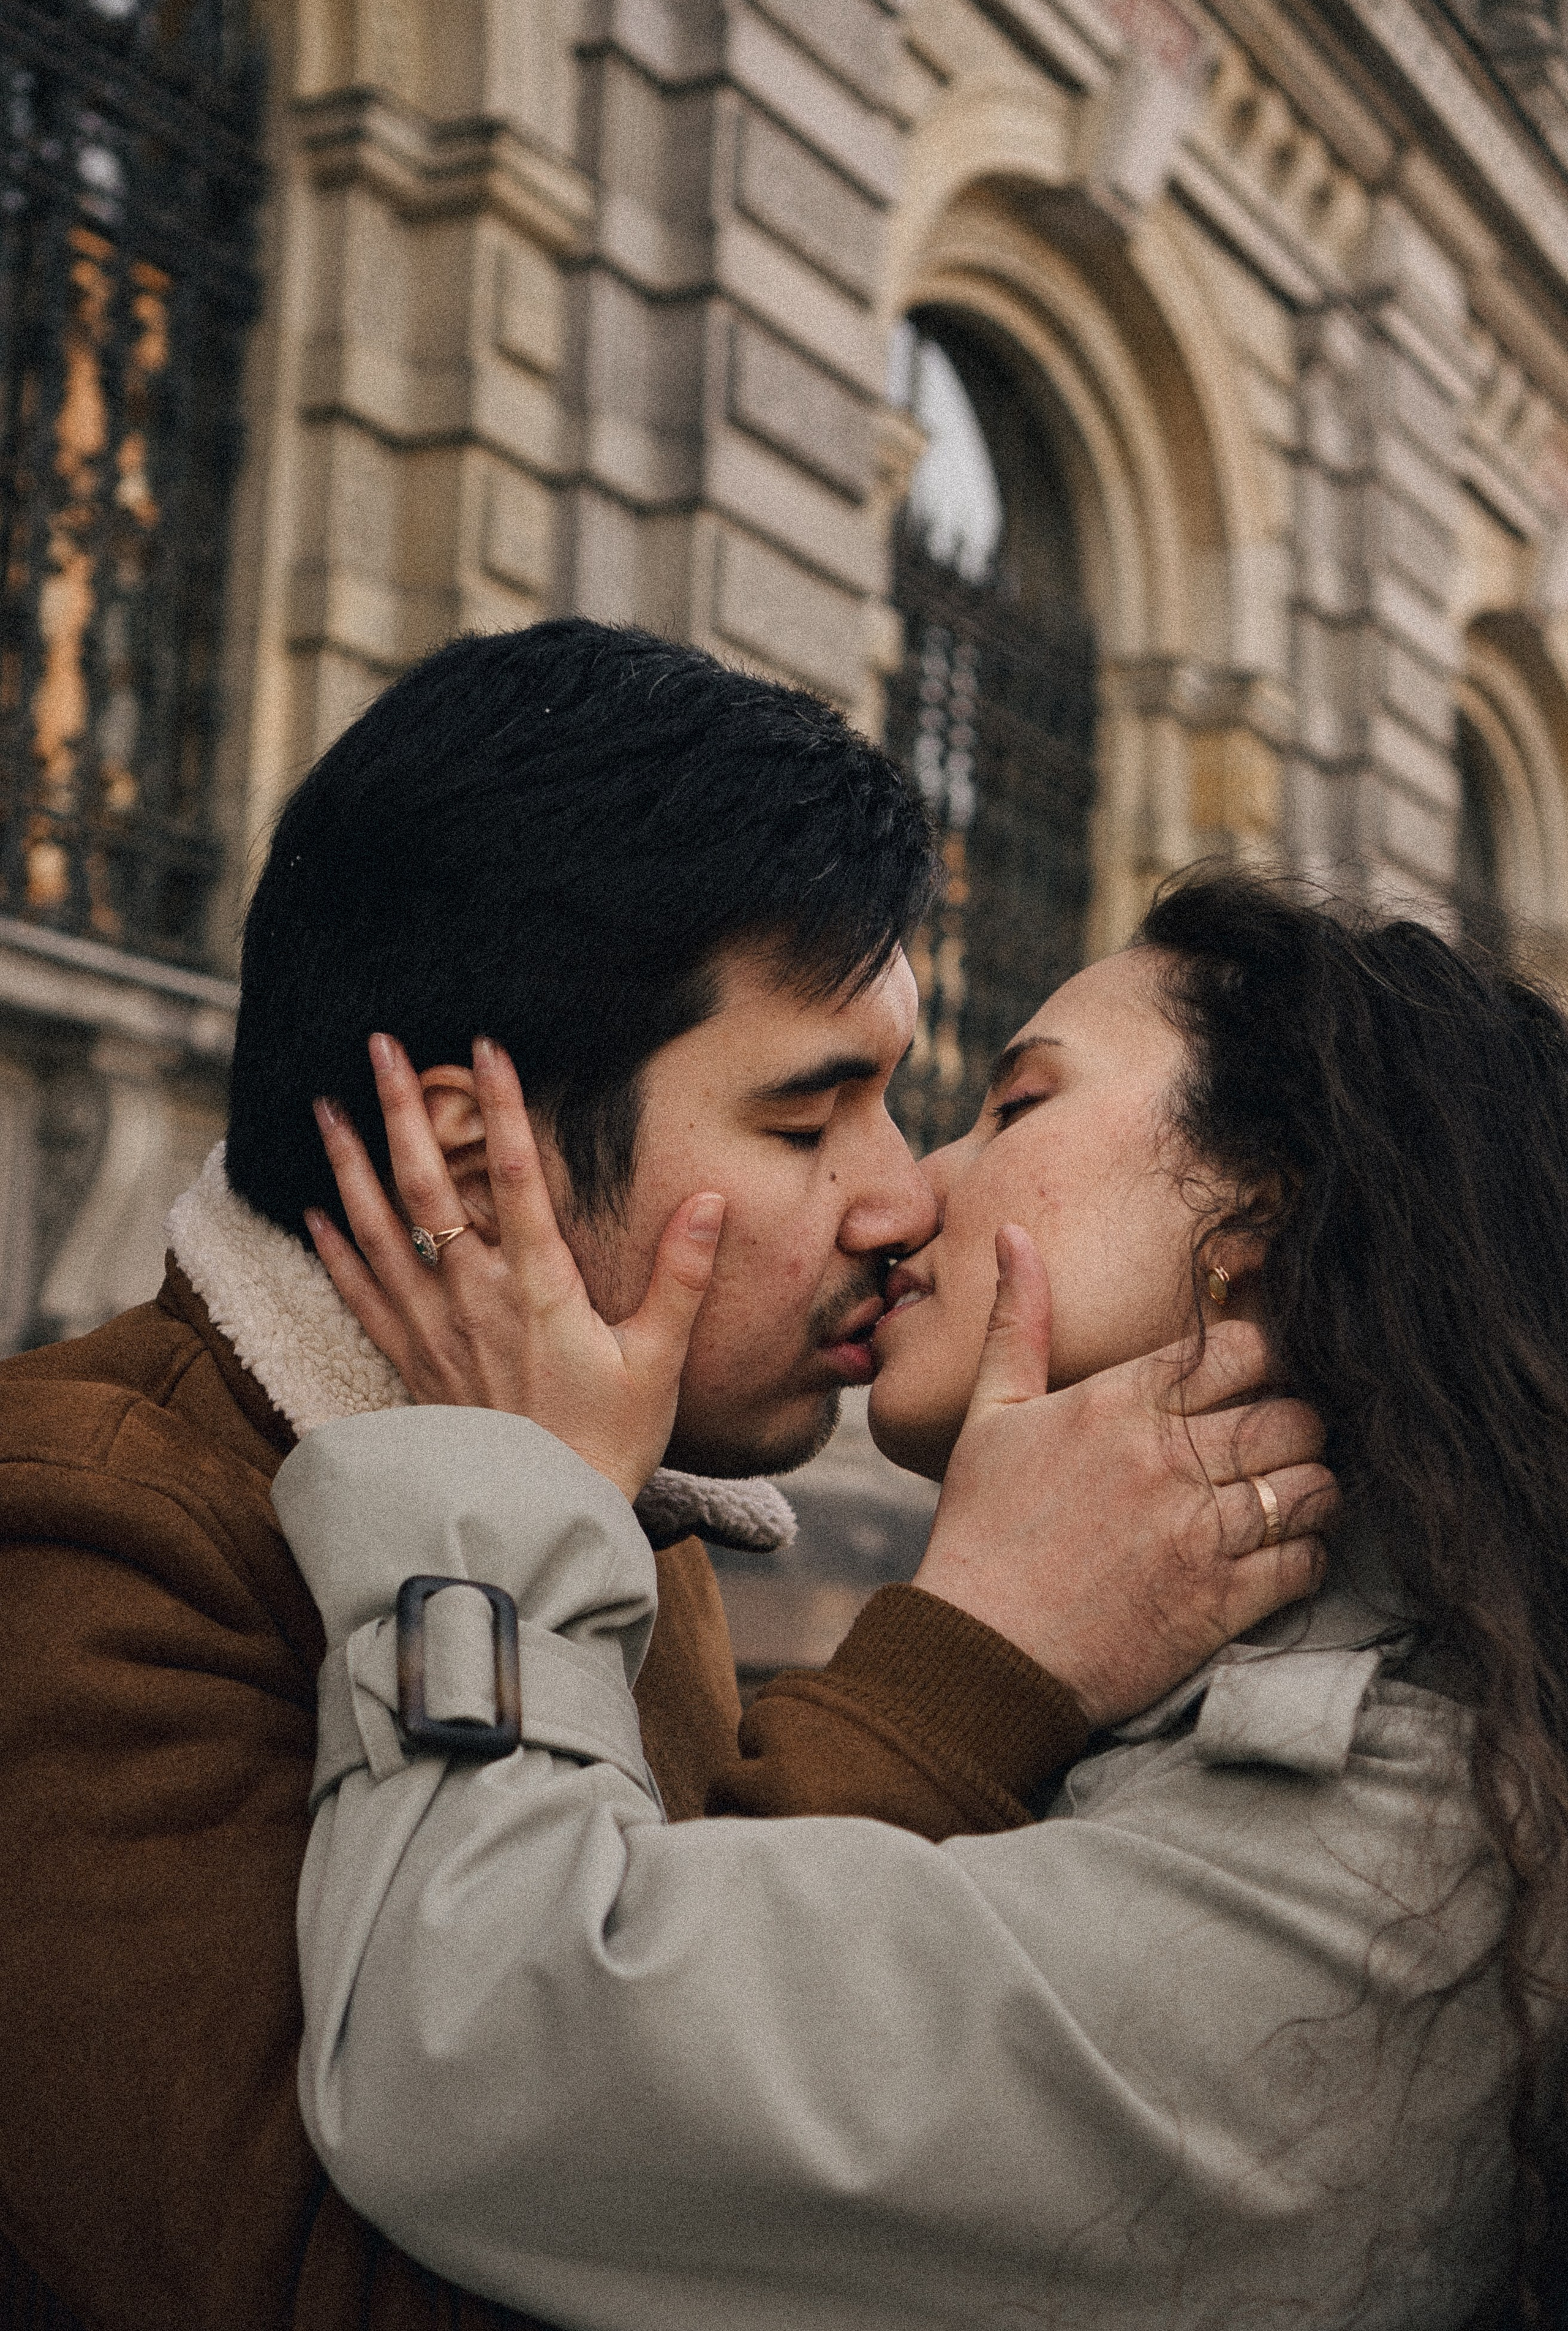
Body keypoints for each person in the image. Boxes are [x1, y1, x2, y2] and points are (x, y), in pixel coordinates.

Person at [0, 627, 1325, 2331]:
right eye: (807, 1122)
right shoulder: (84, 1539)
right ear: (476, 1171)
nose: (901, 1201)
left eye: (902, 1104)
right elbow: (386, 2288)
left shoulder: (611, 1497)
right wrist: (968, 1672)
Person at [279, 870, 1567, 2330]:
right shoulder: (1369, 1729)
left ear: (1255, 1211)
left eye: (1012, 1108)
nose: (907, 1196)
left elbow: (475, 2053)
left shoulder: (1401, 1855)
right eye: (803, 1123)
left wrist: (514, 1476)